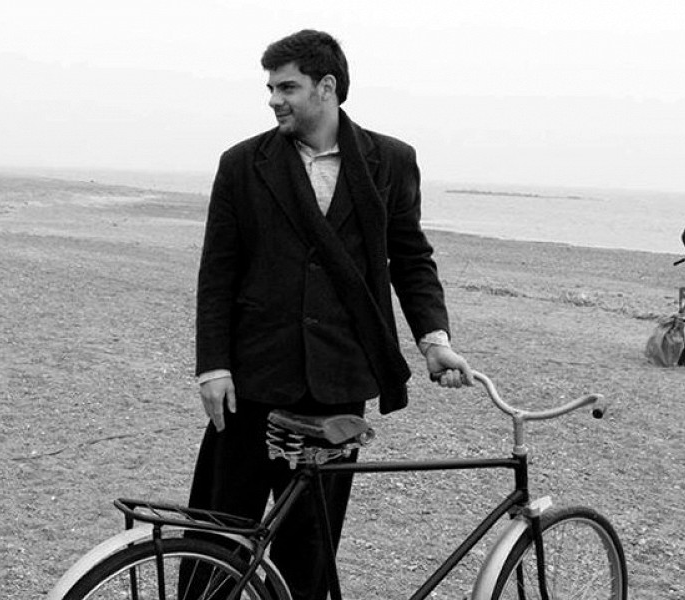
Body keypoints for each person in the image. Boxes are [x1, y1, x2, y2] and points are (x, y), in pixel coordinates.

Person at [189, 29, 474, 600]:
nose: (275, 99)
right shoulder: (242, 163)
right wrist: (213, 366)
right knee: (218, 534)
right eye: (271, 88)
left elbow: (410, 258)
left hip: (338, 384)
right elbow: (218, 271)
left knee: (311, 547)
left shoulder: (390, 161)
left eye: (287, 87)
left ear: (327, 87)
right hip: (251, 379)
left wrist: (434, 339)